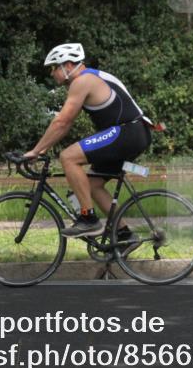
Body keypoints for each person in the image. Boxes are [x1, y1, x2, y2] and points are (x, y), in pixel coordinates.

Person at [24, 43, 152, 237]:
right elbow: (65, 124)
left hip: (127, 132)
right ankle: (125, 235)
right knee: (92, 185)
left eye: (53, 68)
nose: (51, 74)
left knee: (68, 157)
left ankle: (88, 219)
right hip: (133, 133)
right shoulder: (91, 76)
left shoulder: (83, 81)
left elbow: (62, 122)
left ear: (67, 65)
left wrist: (36, 151)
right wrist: (41, 149)